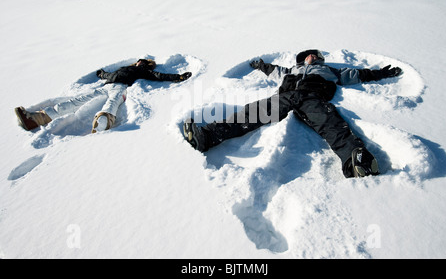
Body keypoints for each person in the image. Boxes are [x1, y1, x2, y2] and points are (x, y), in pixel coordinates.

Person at [183, 49, 402, 178]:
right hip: (286, 97)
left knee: (331, 123)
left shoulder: (331, 71)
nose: (312, 58)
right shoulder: (291, 71)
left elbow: (357, 74)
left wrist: (380, 73)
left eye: (315, 56)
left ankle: (356, 160)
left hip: (313, 98)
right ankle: (207, 136)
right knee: (251, 113)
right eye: (308, 57)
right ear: (302, 59)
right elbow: (273, 70)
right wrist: (261, 65)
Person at [15, 58, 192, 133]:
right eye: (140, 61)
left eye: (143, 62)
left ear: (146, 65)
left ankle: (105, 120)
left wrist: (177, 77)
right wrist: (102, 74)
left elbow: (158, 76)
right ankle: (40, 118)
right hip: (107, 85)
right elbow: (109, 75)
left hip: (120, 88)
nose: (140, 62)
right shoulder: (124, 68)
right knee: (78, 100)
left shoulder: (142, 71)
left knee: (113, 101)